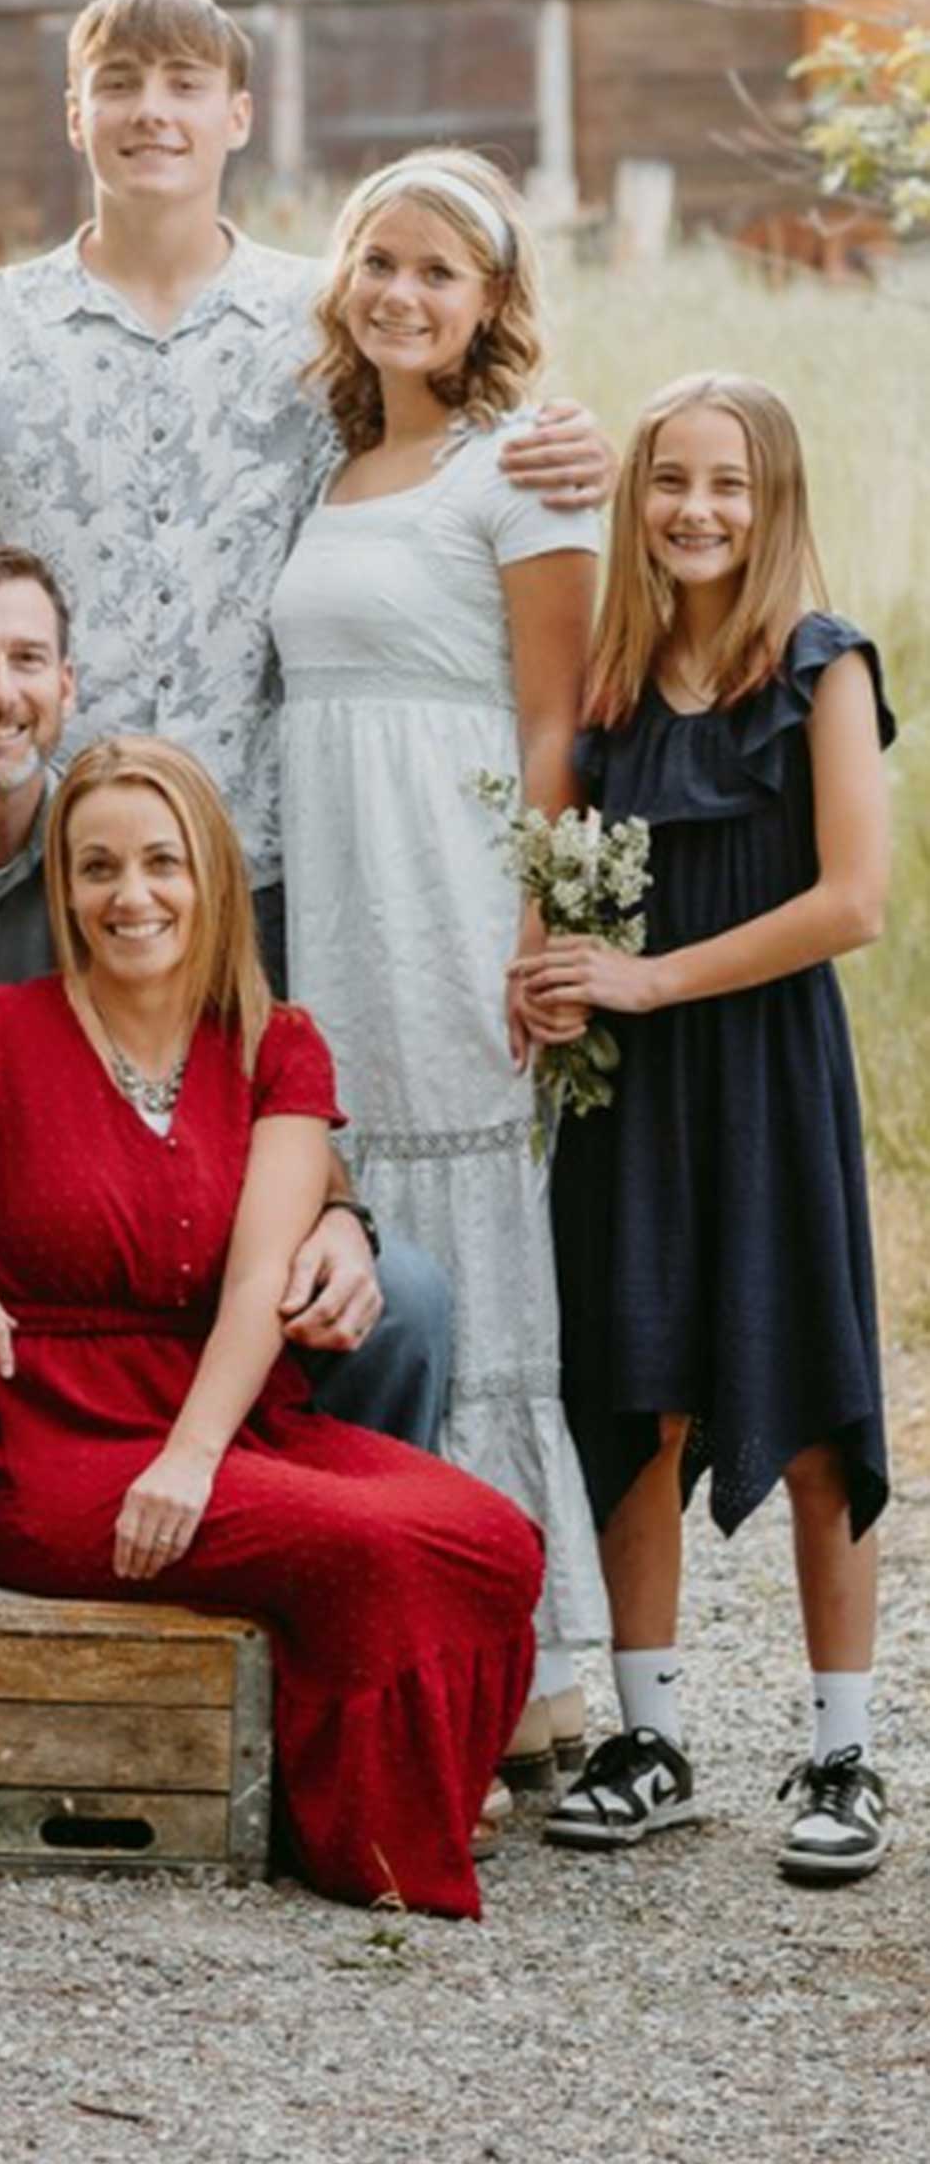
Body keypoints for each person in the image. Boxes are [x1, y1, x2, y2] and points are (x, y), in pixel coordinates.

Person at [0, 545, 455, 1801]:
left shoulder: (134, 833)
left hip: (132, 1285)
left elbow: (244, 1078)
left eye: (20, 661)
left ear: (66, 685)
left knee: (407, 1295)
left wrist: (338, 1214)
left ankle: (337, 1692)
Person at [0, 735, 542, 1917]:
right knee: (371, 1546)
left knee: (492, 1537)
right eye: (95, 868)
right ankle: (372, 1832)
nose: (130, 896)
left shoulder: (274, 1046)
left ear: (211, 877)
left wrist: (191, 1458)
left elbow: (254, 1283)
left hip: (222, 1431)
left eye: (161, 863)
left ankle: (372, 1763)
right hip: (51, 1454)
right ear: (61, 892)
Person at [0, 0, 612, 1003]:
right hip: (46, 861)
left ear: (234, 116)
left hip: (278, 865)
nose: (150, 109)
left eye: (183, 85)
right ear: (75, 116)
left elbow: (450, 445)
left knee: (280, 1153)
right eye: (117, 84)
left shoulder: (327, 322)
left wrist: (575, 441)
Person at [513, 375, 894, 1881]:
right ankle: (650, 1733)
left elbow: (852, 903)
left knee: (806, 1407)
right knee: (637, 1393)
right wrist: (552, 976)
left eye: (728, 485)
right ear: (635, 497)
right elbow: (550, 852)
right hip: (632, 1088)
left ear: (774, 499)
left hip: (761, 1065)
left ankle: (844, 1751)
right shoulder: (608, 689)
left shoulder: (819, 666)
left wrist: (652, 975)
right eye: (669, 480)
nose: (696, 510)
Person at [270, 150, 609, 1778]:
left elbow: (553, 715)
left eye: (435, 273)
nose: (398, 294)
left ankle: (537, 1672)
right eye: (377, 263)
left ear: (486, 305)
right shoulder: (328, 467)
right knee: (357, 1215)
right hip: (333, 883)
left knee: (476, 1246)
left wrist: (540, 918)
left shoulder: (519, 470)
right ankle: (382, 1628)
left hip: (455, 880)